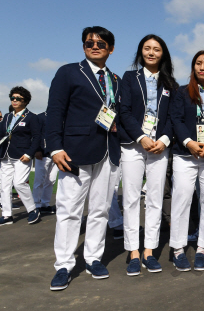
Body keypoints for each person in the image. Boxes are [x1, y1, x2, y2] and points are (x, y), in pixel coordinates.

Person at [47, 26, 121, 290]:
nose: (95, 45)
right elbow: (54, 111)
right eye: (89, 42)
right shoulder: (68, 72)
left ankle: (93, 258)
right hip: (74, 153)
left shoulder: (115, 79)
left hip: (108, 152)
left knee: (100, 210)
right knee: (69, 211)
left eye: (101, 43)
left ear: (111, 49)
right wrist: (55, 148)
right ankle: (64, 265)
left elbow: (118, 115)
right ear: (83, 46)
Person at [118, 34, 177, 276]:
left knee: (155, 198)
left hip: (159, 147)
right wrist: (141, 137)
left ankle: (149, 251)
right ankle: (133, 252)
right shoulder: (130, 78)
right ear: (140, 52)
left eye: (156, 49)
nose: (151, 53)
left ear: (163, 54)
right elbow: (125, 111)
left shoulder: (170, 83)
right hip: (133, 144)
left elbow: (174, 117)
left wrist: (163, 140)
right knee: (131, 198)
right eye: (147, 48)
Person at [170, 49, 204, 272]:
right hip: (185, 154)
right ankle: (178, 249)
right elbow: (176, 120)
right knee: (182, 199)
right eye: (198, 63)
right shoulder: (181, 92)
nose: (202, 68)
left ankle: (202, 248)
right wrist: (189, 142)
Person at [0, 86, 41, 225]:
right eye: (13, 98)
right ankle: (7, 215)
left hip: (21, 156)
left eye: (18, 98)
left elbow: (37, 138)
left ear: (25, 101)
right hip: (5, 155)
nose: (15, 100)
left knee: (18, 183)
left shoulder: (31, 117)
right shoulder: (7, 117)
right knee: (4, 186)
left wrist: (29, 154)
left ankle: (32, 210)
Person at [32, 111, 58, 215]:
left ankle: (45, 204)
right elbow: (36, 135)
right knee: (39, 180)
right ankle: (36, 204)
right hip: (42, 153)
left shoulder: (60, 116)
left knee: (51, 180)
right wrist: (37, 149)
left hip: (55, 153)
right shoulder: (40, 117)